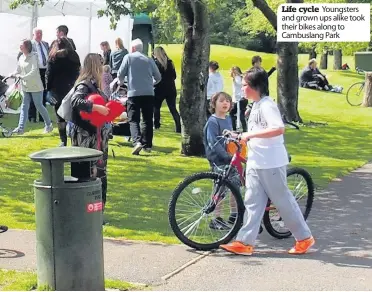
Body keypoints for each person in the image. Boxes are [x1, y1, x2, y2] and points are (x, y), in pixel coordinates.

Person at [220, 67, 315, 256]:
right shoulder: (255, 105)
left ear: (255, 87)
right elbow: (256, 131)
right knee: (252, 202)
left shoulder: (267, 105)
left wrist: (250, 134)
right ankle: (244, 242)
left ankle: (304, 238)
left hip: (271, 162)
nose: (242, 88)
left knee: (283, 201)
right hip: (256, 162)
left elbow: (278, 128)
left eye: (245, 85)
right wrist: (240, 136)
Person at [69, 53, 111, 222]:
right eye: (101, 65)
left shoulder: (95, 86)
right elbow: (76, 101)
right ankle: (87, 214)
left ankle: (96, 214)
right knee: (88, 175)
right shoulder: (84, 85)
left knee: (99, 175)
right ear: (96, 66)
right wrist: (97, 108)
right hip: (87, 138)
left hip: (97, 137)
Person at [117, 38, 161, 155]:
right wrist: (151, 84)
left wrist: (121, 83)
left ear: (132, 48)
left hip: (134, 93)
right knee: (147, 119)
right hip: (149, 93)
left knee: (133, 119)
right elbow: (158, 77)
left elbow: (120, 74)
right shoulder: (149, 59)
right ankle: (148, 145)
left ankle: (137, 141)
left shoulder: (128, 57)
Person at [203, 92, 239, 230]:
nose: (225, 103)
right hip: (219, 160)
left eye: (228, 101)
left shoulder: (228, 119)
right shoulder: (213, 121)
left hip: (231, 158)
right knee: (221, 189)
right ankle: (216, 218)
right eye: (222, 101)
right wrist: (225, 156)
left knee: (235, 185)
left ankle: (234, 214)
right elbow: (213, 143)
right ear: (214, 104)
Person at [11, 39, 53, 135]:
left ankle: (49, 125)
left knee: (39, 106)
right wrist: (12, 74)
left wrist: (22, 77)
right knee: (24, 107)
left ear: (27, 47)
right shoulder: (21, 57)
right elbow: (18, 70)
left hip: (35, 86)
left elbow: (34, 71)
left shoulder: (34, 57)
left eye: (21, 45)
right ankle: (20, 128)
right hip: (25, 86)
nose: (20, 47)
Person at [46, 37, 81, 146]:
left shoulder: (53, 56)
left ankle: (63, 140)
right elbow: (78, 71)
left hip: (57, 89)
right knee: (74, 114)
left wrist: (48, 88)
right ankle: (75, 138)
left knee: (60, 116)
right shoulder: (74, 56)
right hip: (72, 87)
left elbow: (49, 74)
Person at [152, 46, 181, 133]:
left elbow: (155, 77)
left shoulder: (156, 64)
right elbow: (174, 76)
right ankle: (178, 127)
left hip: (159, 88)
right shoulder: (170, 62)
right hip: (171, 88)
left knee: (156, 107)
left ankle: (156, 124)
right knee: (173, 108)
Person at [29, 28, 49, 123]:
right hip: (35, 72)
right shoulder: (30, 44)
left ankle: (42, 117)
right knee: (34, 94)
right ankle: (32, 117)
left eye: (41, 33)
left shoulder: (45, 44)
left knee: (44, 94)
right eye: (37, 33)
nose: (40, 35)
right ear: (33, 34)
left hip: (44, 71)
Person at [229, 66, 247, 132]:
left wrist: (237, 76)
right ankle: (244, 128)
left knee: (232, 113)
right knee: (240, 114)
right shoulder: (241, 77)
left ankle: (234, 128)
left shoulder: (237, 78)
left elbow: (239, 83)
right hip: (242, 98)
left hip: (240, 99)